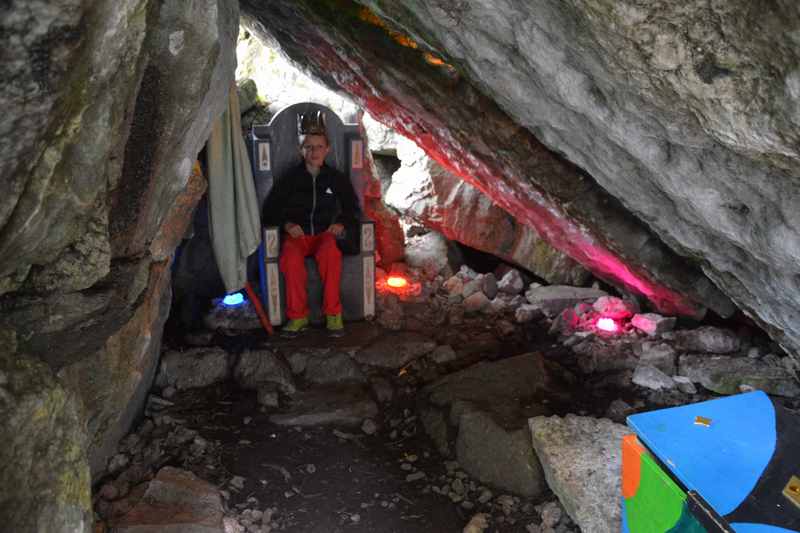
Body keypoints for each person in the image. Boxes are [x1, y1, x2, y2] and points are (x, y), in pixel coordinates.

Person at [262, 111, 360, 337]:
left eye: (318, 147)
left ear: (327, 150)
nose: (314, 152)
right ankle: (298, 317)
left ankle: (333, 315)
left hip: (325, 234)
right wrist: (286, 225)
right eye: (309, 147)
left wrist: (342, 223)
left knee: (330, 255)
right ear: (301, 150)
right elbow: (270, 211)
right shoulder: (290, 179)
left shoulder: (336, 179)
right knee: (290, 257)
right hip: (298, 236)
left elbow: (352, 208)